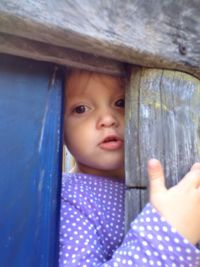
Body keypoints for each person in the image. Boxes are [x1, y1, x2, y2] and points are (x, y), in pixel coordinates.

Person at [59, 69, 200, 266]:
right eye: (81, 109)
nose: (108, 119)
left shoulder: (175, 172)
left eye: (121, 103)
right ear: (58, 128)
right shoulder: (70, 197)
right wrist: (167, 237)